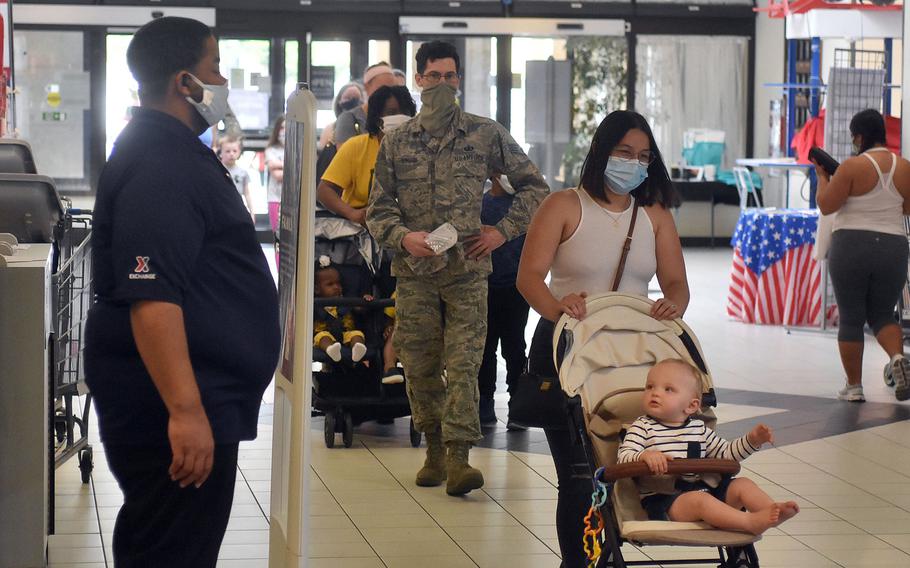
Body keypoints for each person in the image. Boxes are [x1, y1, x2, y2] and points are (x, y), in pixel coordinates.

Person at [83, 17, 280, 568]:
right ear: (184, 82)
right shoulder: (159, 164)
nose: (222, 81)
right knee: (170, 548)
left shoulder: (171, 149)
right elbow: (152, 298)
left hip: (194, 395)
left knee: (173, 544)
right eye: (214, 68)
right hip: (171, 404)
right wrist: (187, 411)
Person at [366, 40, 549, 496]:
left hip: (468, 270)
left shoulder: (485, 133)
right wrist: (404, 237)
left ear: (459, 80)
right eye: (434, 76)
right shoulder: (396, 142)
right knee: (422, 364)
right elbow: (377, 210)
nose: (443, 85)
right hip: (415, 274)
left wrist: (500, 232)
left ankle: (460, 457)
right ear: (419, 79)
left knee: (465, 363)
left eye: (451, 76)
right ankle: (433, 447)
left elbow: (534, 187)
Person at [516, 110, 688, 567]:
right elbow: (529, 277)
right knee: (577, 475)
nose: (634, 163)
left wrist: (673, 304)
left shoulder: (654, 215)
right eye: (624, 153)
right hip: (566, 349)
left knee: (626, 467)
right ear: (601, 152)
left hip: (632, 355)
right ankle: (579, 561)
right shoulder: (564, 205)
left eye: (644, 156)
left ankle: (610, 552)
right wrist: (558, 310)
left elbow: (676, 283)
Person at [618, 359, 799, 534]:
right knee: (701, 500)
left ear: (691, 406)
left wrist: (752, 441)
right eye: (650, 386)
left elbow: (726, 454)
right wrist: (644, 456)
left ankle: (771, 511)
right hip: (667, 500)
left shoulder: (698, 429)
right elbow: (624, 456)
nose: (655, 393)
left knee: (744, 484)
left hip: (705, 489)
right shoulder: (642, 427)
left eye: (668, 389)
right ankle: (749, 522)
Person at [814, 109, 910, 403]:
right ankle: (897, 357)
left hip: (852, 245)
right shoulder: (905, 167)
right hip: (893, 246)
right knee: (882, 313)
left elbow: (827, 205)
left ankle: (854, 386)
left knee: (852, 316)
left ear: (859, 136)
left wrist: (822, 176)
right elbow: (906, 209)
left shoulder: (852, 167)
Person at [318, 85, 416, 226]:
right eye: (392, 112)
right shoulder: (356, 147)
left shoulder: (419, 147)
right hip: (363, 233)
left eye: (405, 112)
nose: (400, 117)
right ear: (378, 119)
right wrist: (352, 214)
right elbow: (324, 191)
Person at [477, 174, 530, 428]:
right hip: (484, 286)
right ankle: (484, 401)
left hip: (517, 288)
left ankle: (518, 404)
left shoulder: (524, 206)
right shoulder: (481, 205)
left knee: (515, 347)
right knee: (484, 348)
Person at [313, 256, 368, 364]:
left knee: (357, 334)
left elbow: (359, 308)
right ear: (317, 289)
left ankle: (358, 349)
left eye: (338, 283)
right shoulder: (315, 304)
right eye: (330, 284)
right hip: (325, 334)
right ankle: (330, 349)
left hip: (346, 334)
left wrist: (364, 300)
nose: (336, 287)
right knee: (322, 336)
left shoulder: (346, 300)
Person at [335, 61, 397, 146]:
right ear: (367, 88)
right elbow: (344, 155)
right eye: (383, 88)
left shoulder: (397, 117)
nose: (389, 94)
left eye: (393, 88)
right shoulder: (349, 118)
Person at [318, 82, 366, 152]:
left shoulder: (366, 128)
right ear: (339, 102)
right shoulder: (329, 129)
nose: (352, 100)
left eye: (356, 98)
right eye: (348, 97)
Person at [218, 134, 255, 220]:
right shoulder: (217, 171)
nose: (231, 154)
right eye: (227, 151)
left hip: (237, 210)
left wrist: (252, 212)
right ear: (220, 153)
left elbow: (247, 194)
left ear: (239, 152)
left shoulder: (243, 172)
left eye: (234, 151)